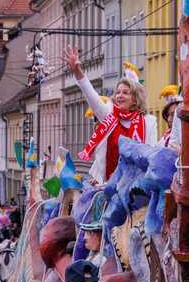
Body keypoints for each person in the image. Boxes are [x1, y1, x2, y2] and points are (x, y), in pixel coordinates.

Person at [64, 46, 158, 184]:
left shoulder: (149, 122)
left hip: (135, 186)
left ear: (136, 98)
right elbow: (92, 97)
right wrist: (78, 72)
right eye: (118, 92)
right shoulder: (109, 115)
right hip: (106, 184)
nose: (119, 96)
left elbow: (151, 155)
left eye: (125, 92)